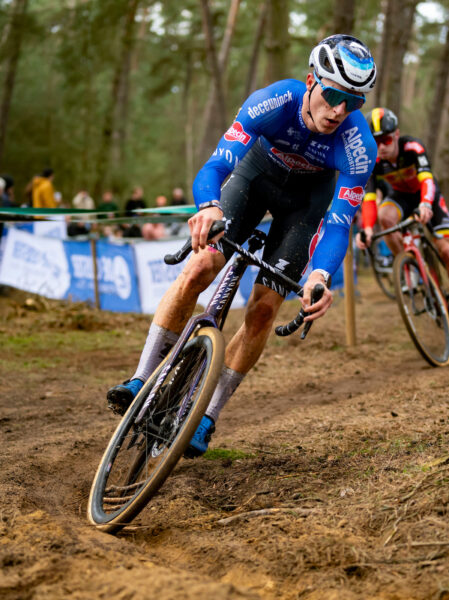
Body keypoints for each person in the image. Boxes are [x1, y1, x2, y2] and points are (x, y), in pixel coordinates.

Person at [107, 34, 378, 456]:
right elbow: (216, 165)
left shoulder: (359, 146)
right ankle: (141, 378)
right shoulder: (272, 102)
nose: (340, 111)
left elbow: (339, 224)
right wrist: (210, 207)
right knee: (198, 269)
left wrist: (320, 276)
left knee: (264, 309)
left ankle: (208, 415)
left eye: (354, 102)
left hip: (304, 207)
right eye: (333, 95)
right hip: (253, 181)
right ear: (311, 81)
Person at [356, 107, 449, 329]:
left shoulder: (413, 148)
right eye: (375, 142)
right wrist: (366, 228)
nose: (381, 147)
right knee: (384, 217)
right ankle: (408, 266)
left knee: (447, 252)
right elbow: (369, 199)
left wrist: (425, 205)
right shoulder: (373, 162)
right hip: (400, 198)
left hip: (426, 196)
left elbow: (427, 181)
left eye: (385, 140)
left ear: (396, 135)